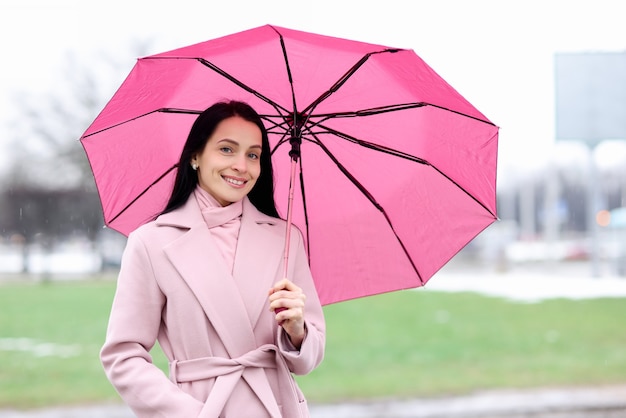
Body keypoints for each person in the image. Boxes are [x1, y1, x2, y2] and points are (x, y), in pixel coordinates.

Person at [100, 100, 326, 417]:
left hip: (275, 407)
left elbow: (309, 359)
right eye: (226, 150)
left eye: (253, 155)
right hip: (202, 409)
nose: (241, 166)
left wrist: (298, 331)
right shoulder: (151, 242)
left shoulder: (285, 239)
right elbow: (123, 355)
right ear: (195, 155)